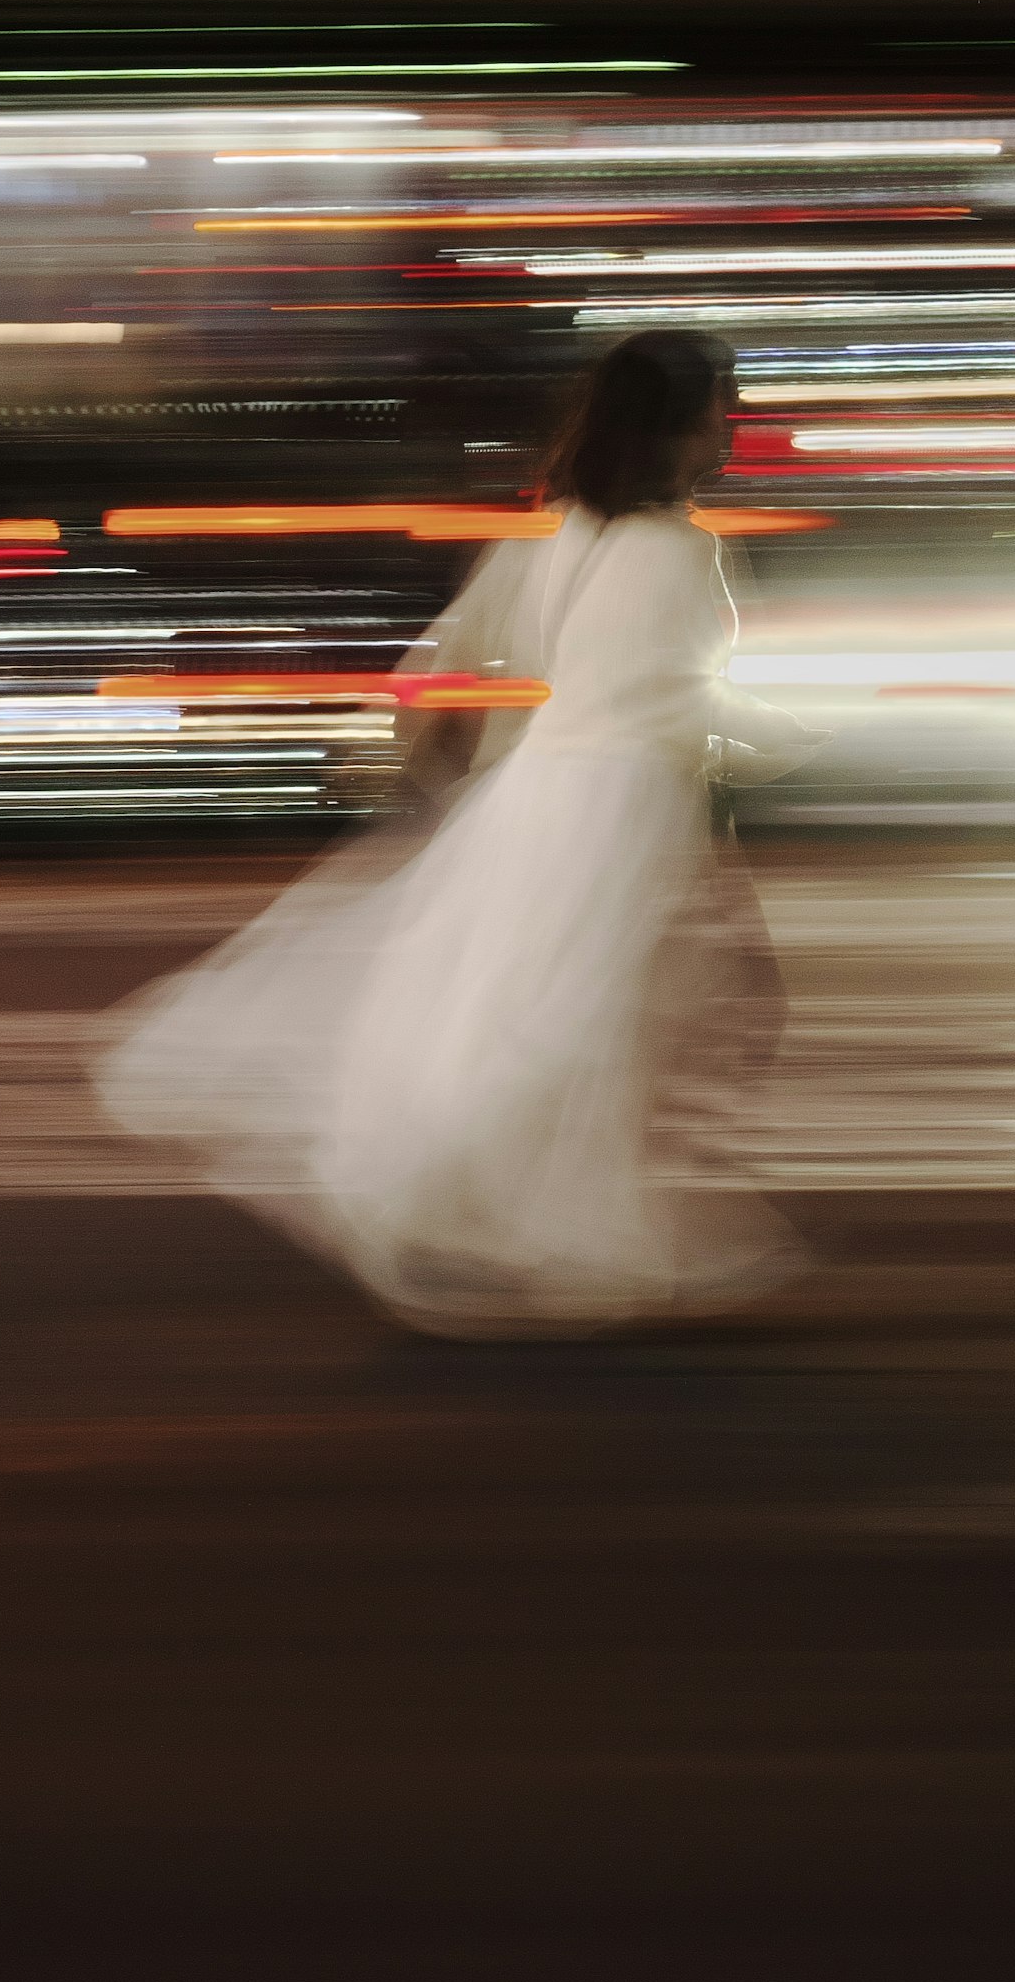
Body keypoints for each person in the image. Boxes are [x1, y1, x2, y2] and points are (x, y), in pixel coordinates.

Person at [96, 329, 819, 1336]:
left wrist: (404, 746)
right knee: (580, 1017)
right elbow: (661, 700)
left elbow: (463, 653)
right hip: (614, 807)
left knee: (526, 1003)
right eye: (720, 406)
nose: (730, 424)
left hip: (538, 794)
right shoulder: (678, 547)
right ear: (678, 424)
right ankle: (550, 1220)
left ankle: (514, 1209)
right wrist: (791, 742)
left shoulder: (560, 532)